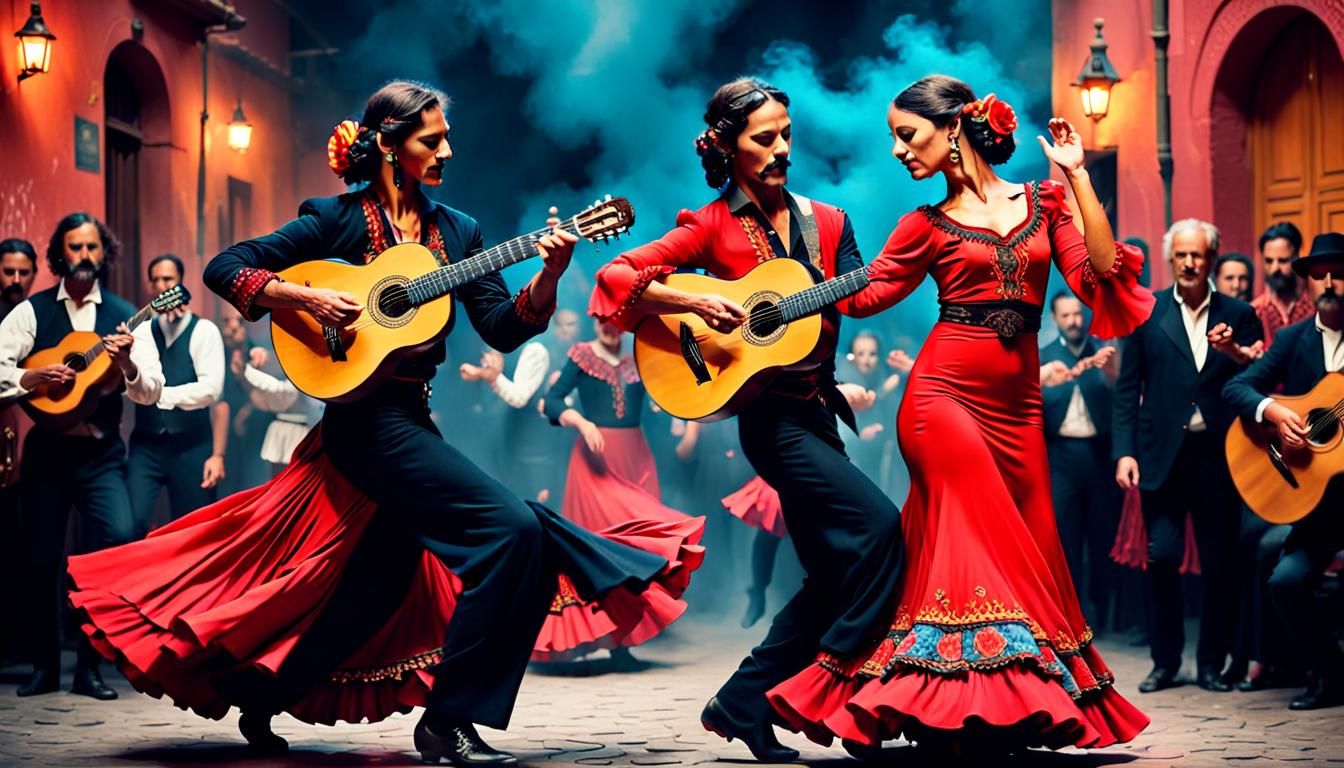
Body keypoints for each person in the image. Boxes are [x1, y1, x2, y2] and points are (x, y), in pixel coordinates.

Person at [66, 81, 702, 762]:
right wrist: (303, 294)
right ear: (391, 145)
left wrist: (548, 276)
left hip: (409, 418)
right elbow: (228, 268)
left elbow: (502, 328)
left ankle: (265, 695)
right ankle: (447, 719)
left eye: (447, 137)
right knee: (513, 532)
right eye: (432, 139)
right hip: (362, 424)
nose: (447, 150)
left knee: (377, 586)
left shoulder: (460, 233)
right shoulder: (335, 218)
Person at [763, 76, 1152, 754]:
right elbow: (868, 292)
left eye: (905, 134)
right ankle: (962, 704)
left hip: (1018, 408)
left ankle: (936, 701)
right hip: (941, 399)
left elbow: (1099, 274)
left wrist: (1079, 176)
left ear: (953, 131)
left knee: (1016, 548)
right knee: (976, 535)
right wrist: (775, 303)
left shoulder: (1046, 202)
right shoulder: (923, 224)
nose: (895, 150)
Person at [591, 78, 903, 762]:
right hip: (770, 424)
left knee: (834, 576)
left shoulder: (829, 223)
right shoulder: (708, 226)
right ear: (729, 147)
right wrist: (695, 306)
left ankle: (741, 704)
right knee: (882, 532)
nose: (782, 148)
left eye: (787, 135)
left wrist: (922, 256)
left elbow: (864, 293)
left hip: (820, 414)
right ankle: (835, 692)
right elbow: (616, 280)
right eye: (765, 139)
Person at [0, 213, 164, 700]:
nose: (85, 256)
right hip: (47, 453)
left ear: (105, 253)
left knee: (112, 545)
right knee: (41, 559)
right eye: (75, 247)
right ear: (58, 255)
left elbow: (151, 392)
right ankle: (44, 667)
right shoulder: (31, 313)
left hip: (101, 455)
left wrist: (128, 362)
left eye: (93, 247)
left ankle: (90, 669)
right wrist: (31, 379)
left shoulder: (125, 315)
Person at [1114, 218, 1262, 694]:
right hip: (1162, 455)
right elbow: (1127, 389)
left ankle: (1211, 664)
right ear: (1170, 259)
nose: (1190, 263)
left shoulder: (1239, 313)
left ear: (1212, 259)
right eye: (1181, 255)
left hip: (1222, 455)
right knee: (1163, 557)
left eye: (1198, 254)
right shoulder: (1144, 311)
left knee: (1220, 565)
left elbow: (1256, 379)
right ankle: (1165, 661)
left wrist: (1238, 352)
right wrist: (1124, 453)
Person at [534, 319, 703, 666]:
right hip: (594, 464)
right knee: (602, 550)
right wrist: (582, 422)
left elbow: (677, 388)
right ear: (593, 319)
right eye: (600, 319)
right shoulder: (581, 355)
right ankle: (601, 641)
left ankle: (622, 642)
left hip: (637, 458)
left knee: (643, 545)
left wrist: (691, 429)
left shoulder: (640, 354)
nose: (607, 327)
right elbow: (551, 401)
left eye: (614, 320)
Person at [1223, 232, 1344, 710]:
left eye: (1339, 273)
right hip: (1314, 510)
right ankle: (1332, 674)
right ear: (1309, 284)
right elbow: (1239, 388)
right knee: (1284, 584)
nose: (1330, 282)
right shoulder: (1294, 340)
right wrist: (1272, 412)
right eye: (1320, 275)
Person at [127, 254, 226, 533]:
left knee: (192, 528)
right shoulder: (143, 330)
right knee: (131, 522)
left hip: (191, 445)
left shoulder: (205, 331)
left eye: (167, 279)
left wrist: (160, 395)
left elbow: (211, 390)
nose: (161, 285)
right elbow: (133, 384)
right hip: (146, 445)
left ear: (180, 283)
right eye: (155, 280)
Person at [1039, 292, 1120, 626]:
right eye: (1066, 315)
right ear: (1056, 319)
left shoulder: (1101, 355)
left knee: (1102, 535)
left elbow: (1118, 403)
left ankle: (1104, 612)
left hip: (1100, 456)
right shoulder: (1043, 358)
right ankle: (1072, 614)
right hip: (1060, 456)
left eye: (1077, 314)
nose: (1074, 321)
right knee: (1065, 537)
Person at [1250, 222, 1313, 346]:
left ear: (1297, 258)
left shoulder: (1315, 306)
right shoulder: (1255, 312)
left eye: (1283, 260)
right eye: (1269, 261)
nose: (1275, 268)